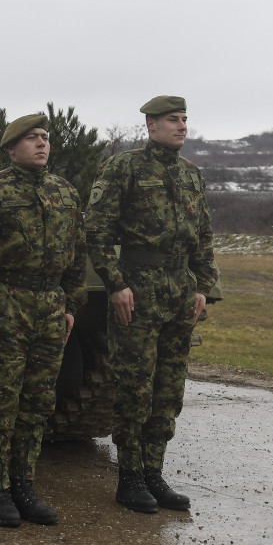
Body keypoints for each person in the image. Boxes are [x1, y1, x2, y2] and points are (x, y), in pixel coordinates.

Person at [0, 113, 88, 527]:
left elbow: (77, 257)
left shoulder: (65, 193)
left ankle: (25, 487)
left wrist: (71, 307)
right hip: (4, 308)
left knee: (36, 404)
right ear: (12, 148)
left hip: (49, 309)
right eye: (32, 138)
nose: (42, 144)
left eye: (45, 138)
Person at [85, 95, 217, 514]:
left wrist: (203, 287)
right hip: (137, 292)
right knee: (134, 386)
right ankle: (129, 477)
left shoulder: (191, 175)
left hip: (180, 293)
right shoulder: (125, 168)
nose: (181, 126)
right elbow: (97, 230)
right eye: (172, 120)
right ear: (150, 125)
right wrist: (116, 284)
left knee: (168, 389)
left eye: (184, 119)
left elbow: (205, 239)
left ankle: (155, 474)